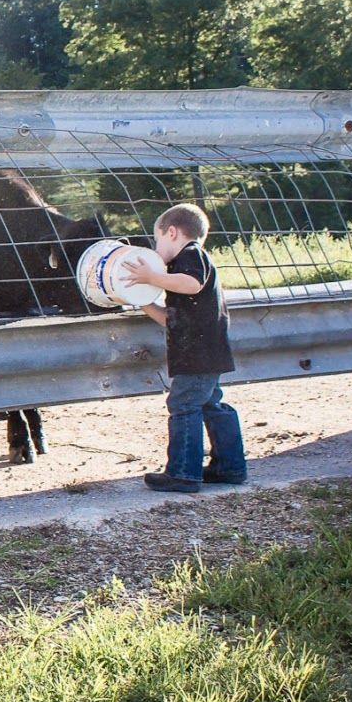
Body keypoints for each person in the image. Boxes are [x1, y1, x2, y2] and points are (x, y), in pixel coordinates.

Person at [123, 203, 248, 494]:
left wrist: (152, 278)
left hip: (199, 353)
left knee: (183, 406)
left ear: (173, 232)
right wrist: (143, 300)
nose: (156, 248)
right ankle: (230, 467)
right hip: (205, 351)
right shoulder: (179, 269)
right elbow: (170, 319)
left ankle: (183, 473)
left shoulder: (191, 255)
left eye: (158, 240)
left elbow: (192, 284)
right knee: (210, 405)